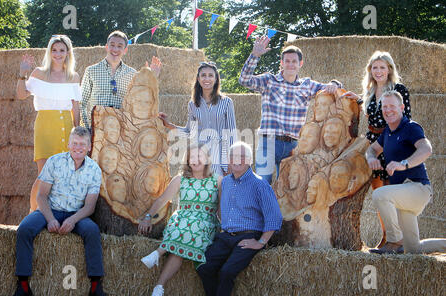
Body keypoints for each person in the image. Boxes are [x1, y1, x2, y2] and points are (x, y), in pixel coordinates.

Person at [10, 127, 110, 296]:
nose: (78, 147)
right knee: (24, 229)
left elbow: (90, 207)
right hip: (50, 209)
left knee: (92, 231)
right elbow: (41, 196)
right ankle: (23, 287)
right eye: (75, 143)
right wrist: (50, 219)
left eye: (82, 144)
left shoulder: (94, 169)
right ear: (69, 144)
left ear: (89, 146)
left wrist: (72, 220)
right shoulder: (54, 162)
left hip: (77, 213)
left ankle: (95, 288)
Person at [238, 35, 342, 184]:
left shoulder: (307, 85)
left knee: (288, 187)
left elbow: (332, 89)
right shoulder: (269, 81)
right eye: (287, 61)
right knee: (262, 183)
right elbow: (244, 80)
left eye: (294, 61)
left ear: (300, 63)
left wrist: (335, 83)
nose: (290, 64)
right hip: (269, 142)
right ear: (281, 63)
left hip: (293, 144)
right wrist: (255, 55)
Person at [342, 51, 411, 248]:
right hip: (373, 145)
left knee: (392, 192)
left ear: (389, 69)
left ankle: (398, 239)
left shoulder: (399, 89)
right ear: (370, 70)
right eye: (375, 67)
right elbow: (369, 111)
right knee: (379, 193)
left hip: (391, 141)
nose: (378, 71)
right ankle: (386, 236)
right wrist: (356, 98)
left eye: (382, 67)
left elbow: (406, 118)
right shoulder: (370, 91)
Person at [196, 141, 282, 296]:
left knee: (227, 272)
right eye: (233, 156)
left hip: (248, 236)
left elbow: (274, 216)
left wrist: (260, 242)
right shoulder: (226, 182)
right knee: (204, 267)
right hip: (226, 236)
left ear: (250, 160)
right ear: (228, 160)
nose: (237, 160)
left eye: (242, 156)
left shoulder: (259, 184)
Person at [365, 91, 446, 255]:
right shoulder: (387, 132)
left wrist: (404, 164)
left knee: (380, 194)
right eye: (384, 107)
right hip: (403, 196)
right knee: (413, 249)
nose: (388, 110)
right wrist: (371, 158)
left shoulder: (410, 127)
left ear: (401, 107)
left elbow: (426, 149)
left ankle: (394, 240)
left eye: (392, 106)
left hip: (418, 188)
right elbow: (371, 149)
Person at [138, 145, 222, 296]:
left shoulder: (216, 180)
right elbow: (163, 199)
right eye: (192, 157)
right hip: (182, 221)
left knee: (190, 228)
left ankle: (158, 253)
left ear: (207, 159)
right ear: (187, 160)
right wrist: (148, 217)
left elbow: (221, 208)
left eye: (200, 156)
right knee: (181, 243)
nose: (196, 160)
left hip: (205, 223)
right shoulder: (180, 179)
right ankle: (159, 288)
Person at [16, 34, 81, 213]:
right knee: (44, 174)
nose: (58, 54)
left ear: (68, 52)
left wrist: (78, 130)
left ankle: (56, 213)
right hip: (45, 125)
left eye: (61, 50)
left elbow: (75, 106)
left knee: (63, 176)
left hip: (66, 127)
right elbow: (21, 95)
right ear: (49, 51)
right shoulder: (39, 73)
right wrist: (22, 74)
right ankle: (33, 213)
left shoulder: (73, 77)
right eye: (54, 50)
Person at [159, 62, 237, 176]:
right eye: (203, 75)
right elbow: (190, 132)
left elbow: (231, 134)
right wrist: (168, 125)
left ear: (216, 79)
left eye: (211, 75)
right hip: (199, 156)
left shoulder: (226, 102)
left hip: (220, 157)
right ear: (198, 79)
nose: (207, 78)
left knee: (219, 190)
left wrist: (231, 161)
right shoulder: (193, 104)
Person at [80, 30, 162, 130]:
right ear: (106, 47)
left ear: (125, 50)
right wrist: (87, 128)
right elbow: (82, 103)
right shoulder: (91, 71)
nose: (115, 49)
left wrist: (152, 77)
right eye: (112, 45)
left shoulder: (132, 74)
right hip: (96, 129)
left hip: (121, 132)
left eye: (119, 46)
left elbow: (140, 101)